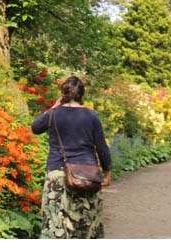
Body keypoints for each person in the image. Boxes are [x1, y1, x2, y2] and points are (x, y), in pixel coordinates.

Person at [31, 76, 113, 238]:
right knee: (87, 225)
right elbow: (102, 147)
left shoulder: (54, 114)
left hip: (58, 175)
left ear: (64, 93)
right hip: (87, 176)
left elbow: (35, 127)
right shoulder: (91, 116)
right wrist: (108, 171)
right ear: (82, 94)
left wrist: (54, 106)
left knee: (56, 225)